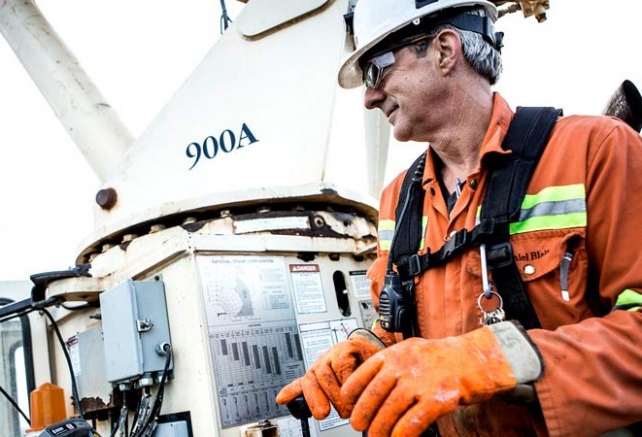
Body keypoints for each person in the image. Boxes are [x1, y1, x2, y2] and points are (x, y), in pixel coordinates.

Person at [275, 0, 642, 436]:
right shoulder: (397, 200)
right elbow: (404, 331)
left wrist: (490, 358)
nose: (370, 98)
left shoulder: (595, 151)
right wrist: (369, 348)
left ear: (445, 50)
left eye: (375, 71)